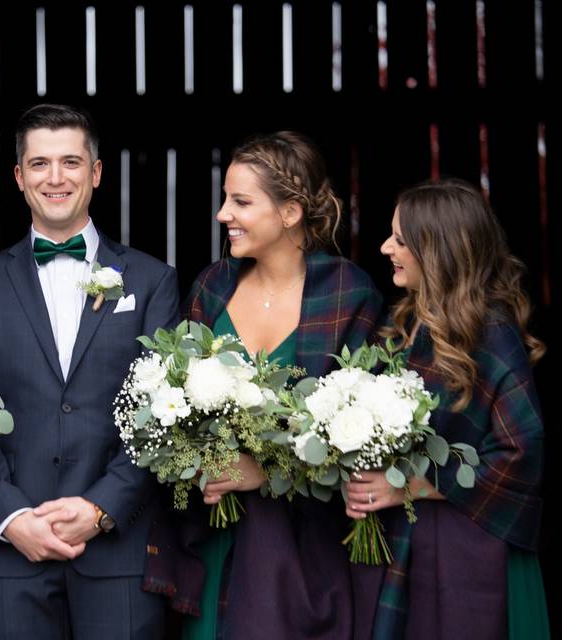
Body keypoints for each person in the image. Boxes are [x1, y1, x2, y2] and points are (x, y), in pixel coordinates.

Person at [143, 132, 383, 639]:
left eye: (241, 201)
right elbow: (173, 405)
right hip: (212, 545)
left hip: (308, 553)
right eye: (224, 199)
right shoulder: (212, 285)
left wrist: (265, 471)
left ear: (291, 212)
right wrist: (202, 464)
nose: (223, 214)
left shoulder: (349, 293)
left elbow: (366, 434)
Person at [0, 104, 178, 639]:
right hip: (10, 557)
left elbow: (164, 416)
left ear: (96, 173)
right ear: (19, 176)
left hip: (119, 554)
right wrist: (11, 518)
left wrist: (102, 507)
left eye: (71, 162)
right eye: (39, 164)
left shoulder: (152, 280)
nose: (55, 178)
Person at [347, 178, 549, 639]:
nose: (384, 248)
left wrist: (414, 486)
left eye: (400, 239)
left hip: (470, 550)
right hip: (406, 543)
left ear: (436, 249)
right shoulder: (405, 325)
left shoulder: (492, 334)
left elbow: (522, 452)